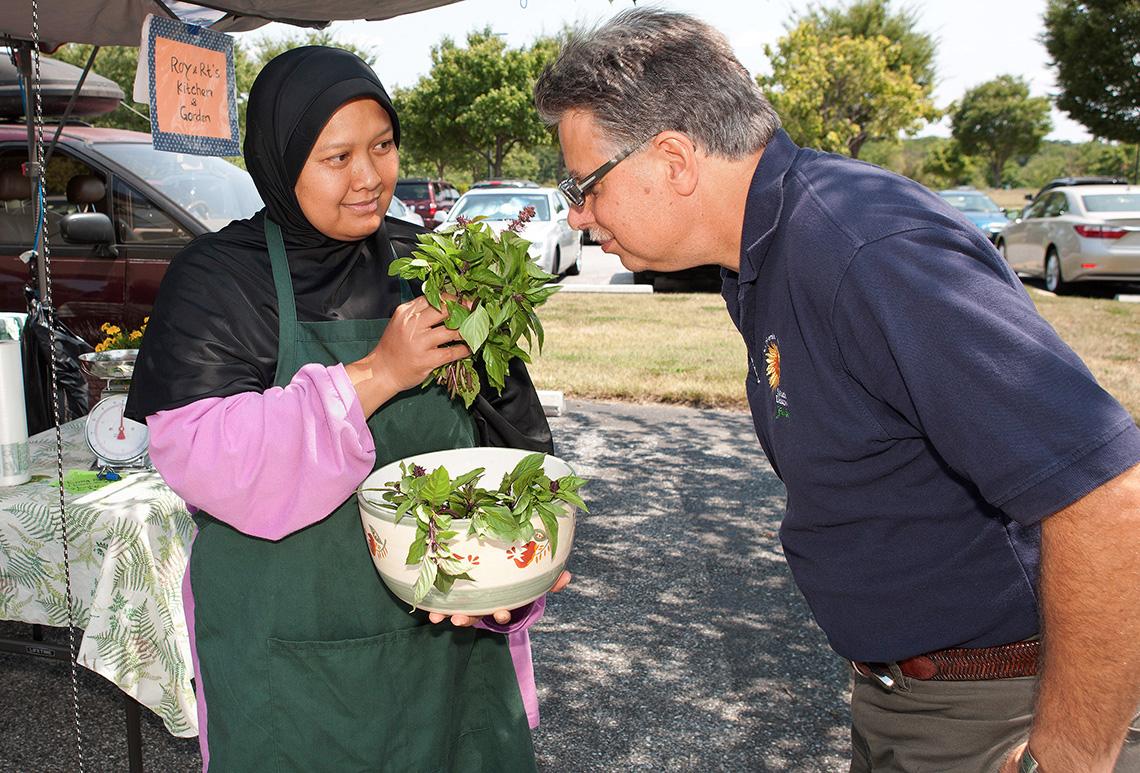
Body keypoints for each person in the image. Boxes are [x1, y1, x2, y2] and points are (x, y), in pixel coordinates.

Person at [534, 9, 1140, 772]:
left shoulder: (867, 250)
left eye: (584, 184)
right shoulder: (762, 249)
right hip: (907, 699)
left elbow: (1108, 493)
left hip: (1000, 714)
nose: (579, 215)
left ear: (674, 159)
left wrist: (1071, 754)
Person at [127, 46, 564, 771]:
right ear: (281, 158)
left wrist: (512, 568)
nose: (370, 178)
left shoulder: (433, 266)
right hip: (289, 673)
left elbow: (511, 434)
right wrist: (378, 372)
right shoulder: (217, 281)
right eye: (338, 156)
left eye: (384, 146)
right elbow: (208, 461)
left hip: (446, 655)